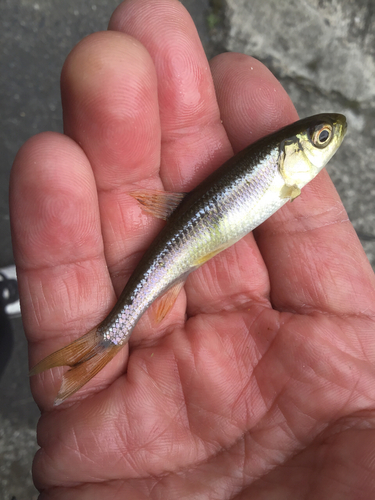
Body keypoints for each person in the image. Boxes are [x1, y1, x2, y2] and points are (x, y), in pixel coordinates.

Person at [10, 0, 375, 497]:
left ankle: (100, 340)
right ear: (291, 153)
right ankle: (106, 336)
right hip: (190, 230)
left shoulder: (281, 174)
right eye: (322, 138)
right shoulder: (281, 173)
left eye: (322, 137)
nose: (328, 141)